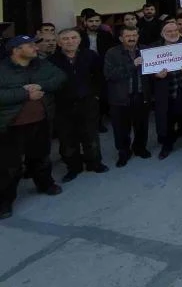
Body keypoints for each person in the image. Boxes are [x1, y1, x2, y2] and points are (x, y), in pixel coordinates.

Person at [0, 36, 64, 219]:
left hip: (40, 120)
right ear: (16, 50)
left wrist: (41, 85)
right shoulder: (2, 69)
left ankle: (45, 184)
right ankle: (4, 201)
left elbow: (60, 77)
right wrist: (24, 94)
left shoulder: (41, 64)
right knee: (9, 166)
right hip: (12, 125)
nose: (36, 48)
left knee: (41, 156)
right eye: (30, 45)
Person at [49, 28, 109, 182]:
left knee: (91, 136)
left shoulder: (90, 55)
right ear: (59, 42)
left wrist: (96, 94)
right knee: (67, 139)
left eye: (73, 38)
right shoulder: (52, 60)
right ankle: (73, 167)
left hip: (88, 102)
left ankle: (94, 163)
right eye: (65, 39)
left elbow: (100, 75)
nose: (70, 41)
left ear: (79, 40)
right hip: (63, 106)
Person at [149, 21, 182, 159]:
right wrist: (156, 75)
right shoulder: (154, 48)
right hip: (165, 91)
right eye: (169, 31)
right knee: (167, 120)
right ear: (162, 34)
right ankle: (167, 146)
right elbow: (148, 71)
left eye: (175, 31)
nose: (173, 33)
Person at [103, 27, 151, 167]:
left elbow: (153, 70)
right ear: (120, 38)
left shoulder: (146, 50)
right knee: (121, 128)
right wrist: (132, 64)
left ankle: (140, 148)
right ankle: (123, 152)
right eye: (128, 35)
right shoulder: (112, 53)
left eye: (134, 35)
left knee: (142, 125)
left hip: (142, 95)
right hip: (120, 97)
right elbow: (109, 74)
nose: (132, 38)